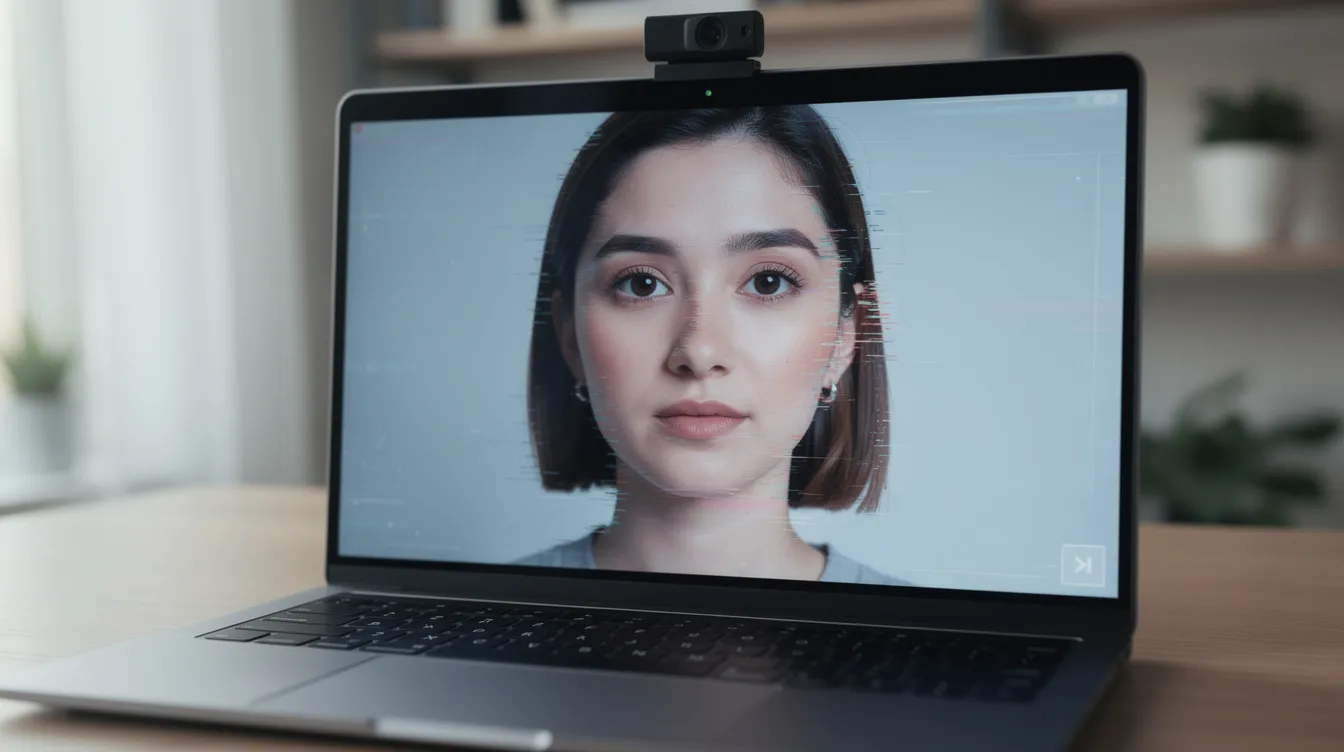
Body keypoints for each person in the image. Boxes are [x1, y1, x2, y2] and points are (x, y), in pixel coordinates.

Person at [518, 106, 904, 585]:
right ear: (568, 334)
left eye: (768, 282)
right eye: (641, 284)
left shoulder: (934, 635)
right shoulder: (475, 619)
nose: (699, 352)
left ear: (847, 335)